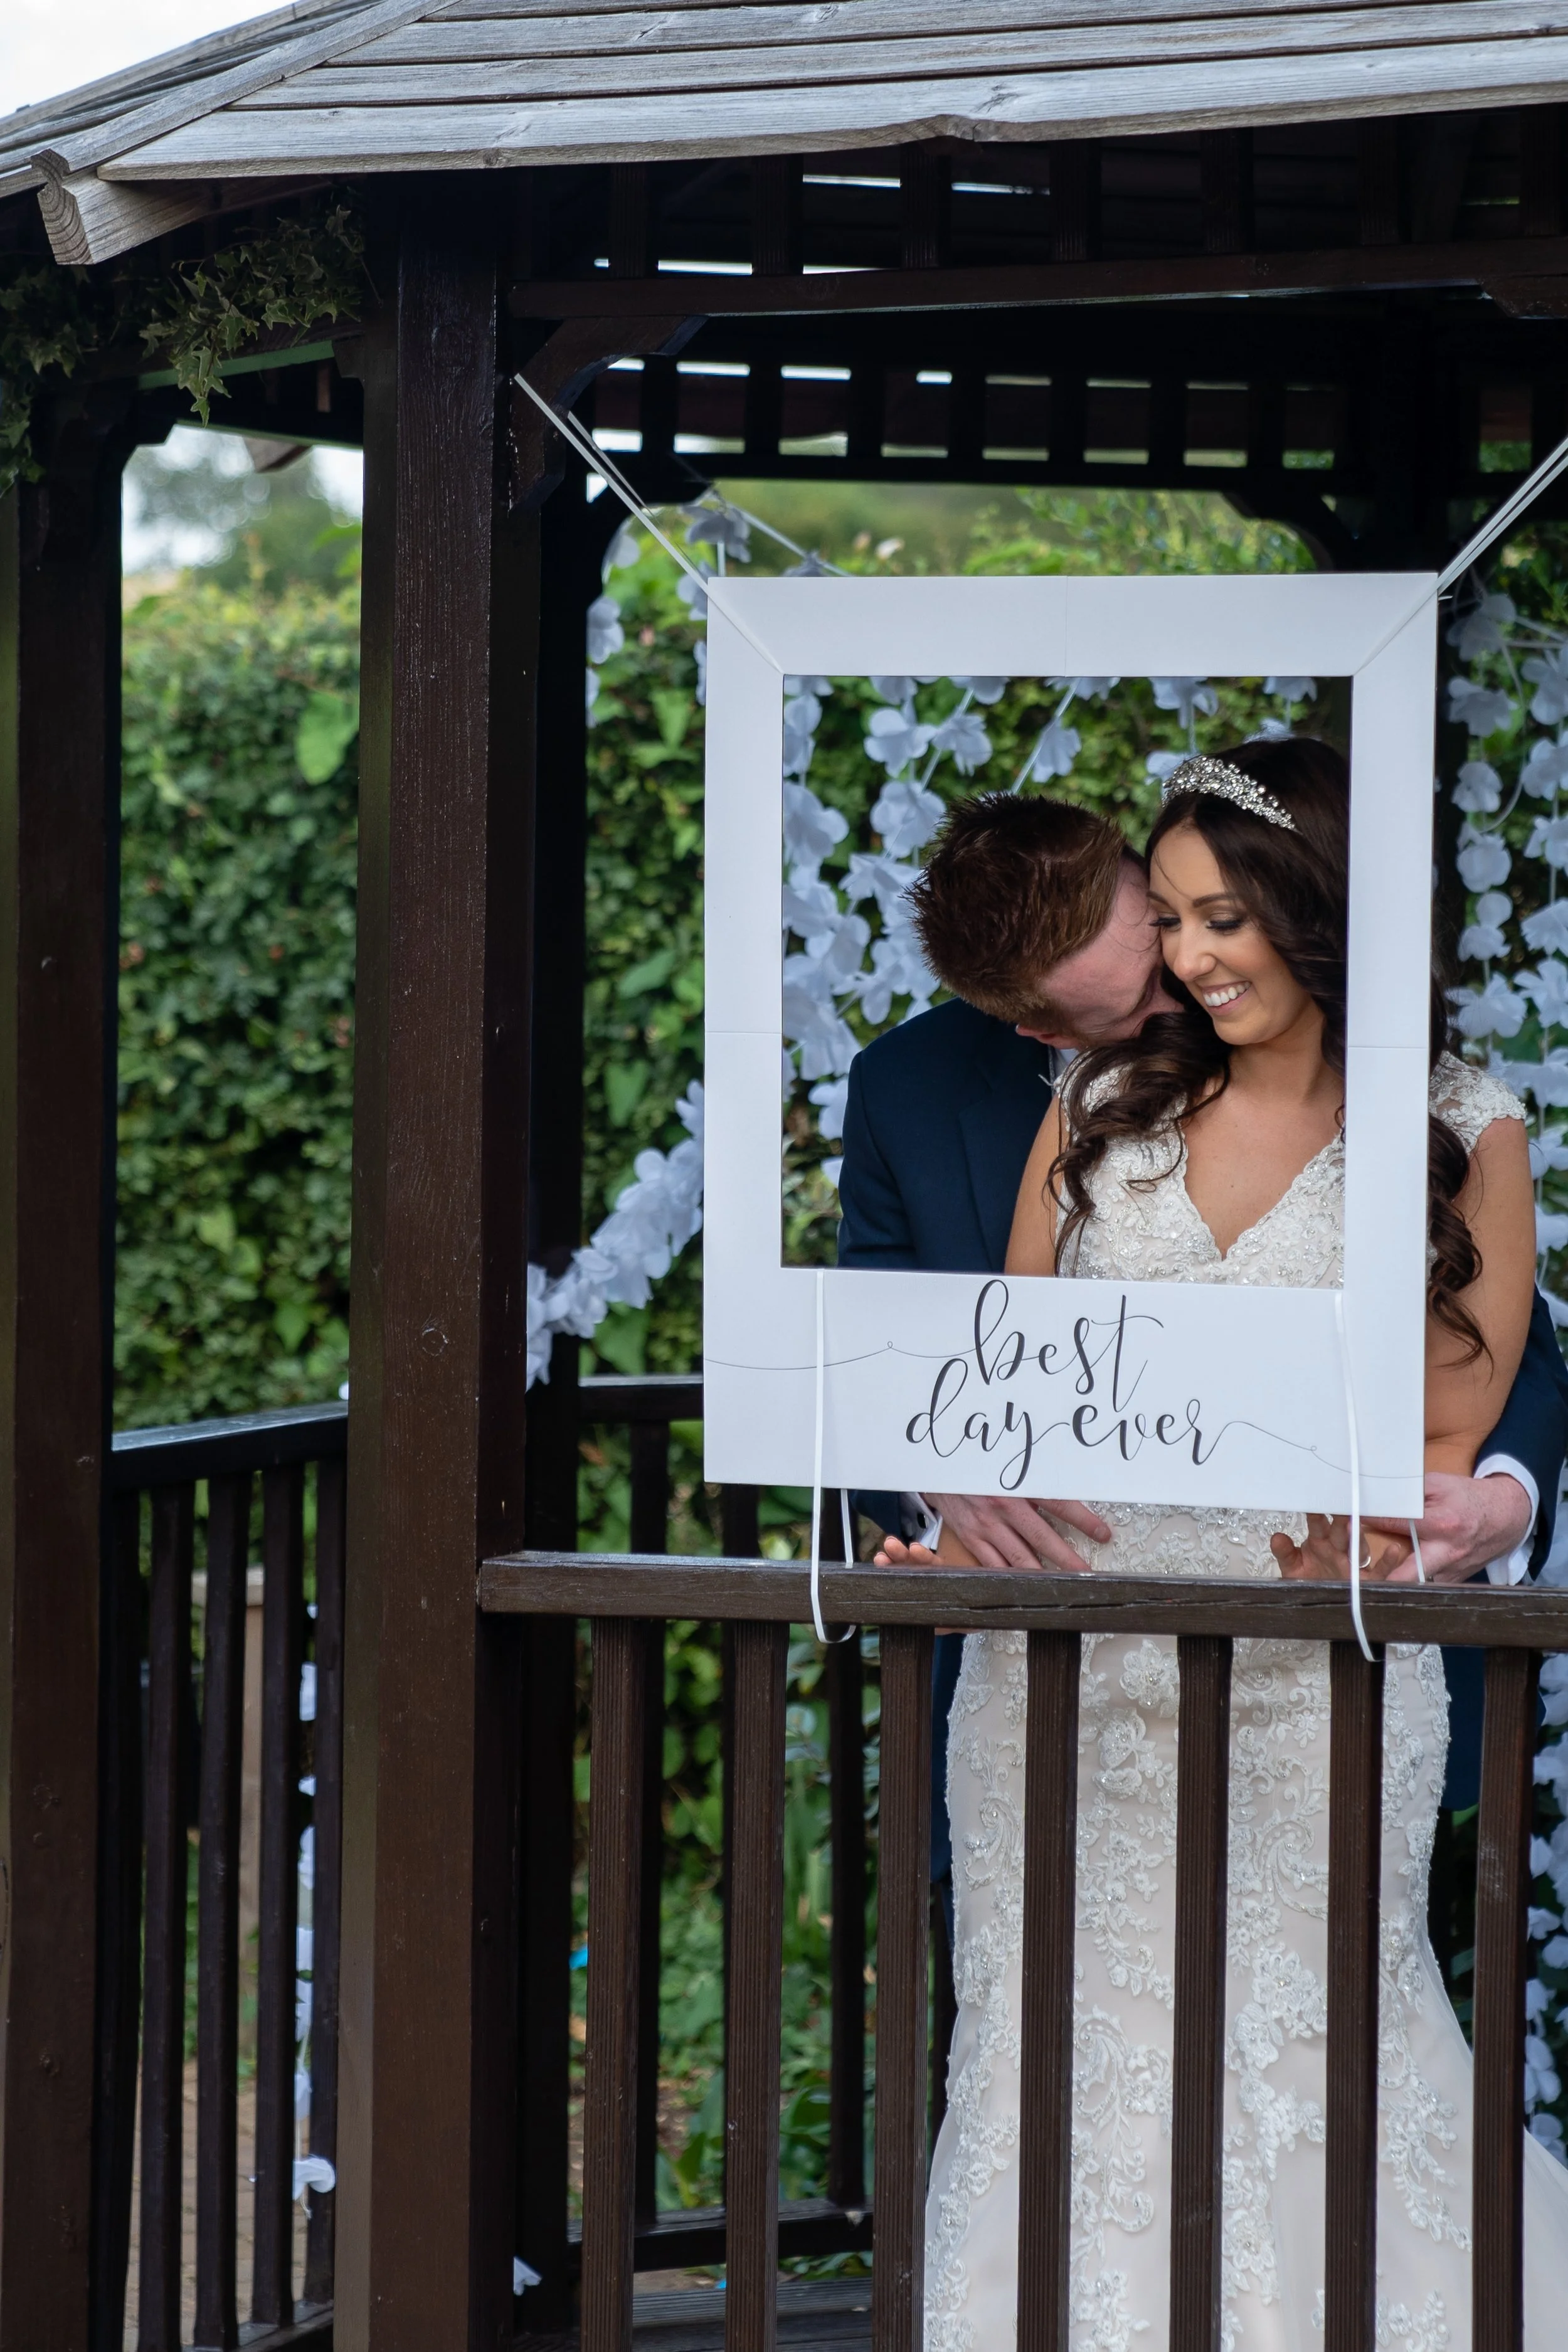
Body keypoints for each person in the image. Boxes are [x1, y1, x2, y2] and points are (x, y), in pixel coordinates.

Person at [877, 741, 1568, 2351]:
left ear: (1310, 912)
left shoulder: (1462, 1130)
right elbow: (1010, 1386)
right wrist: (945, 1525)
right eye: (1169, 919)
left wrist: (1425, 1507)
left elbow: (1444, 1439)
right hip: (1060, 1670)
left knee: (1320, 2048)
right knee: (1051, 2050)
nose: (1186, 958)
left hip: (1309, 1673)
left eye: (1216, 918)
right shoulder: (1094, 1103)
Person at [838, 790, 1568, 1861]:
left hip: (1325, 1666)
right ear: (1037, 1029)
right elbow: (879, 1349)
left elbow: (1513, 1349)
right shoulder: (910, 1091)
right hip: (1050, 1686)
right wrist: (940, 1474)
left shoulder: (1422, 1099)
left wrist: (1501, 1496)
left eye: (1177, 931)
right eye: (1134, 1004)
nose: (1191, 985)